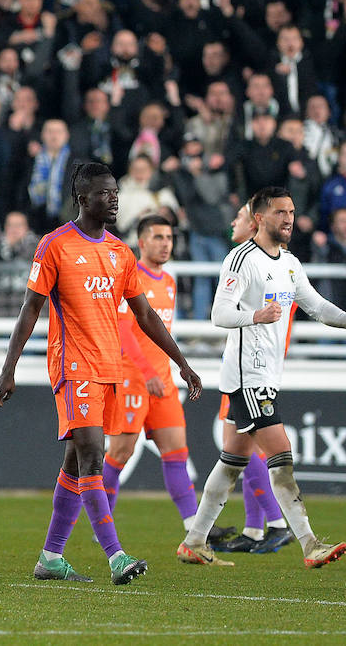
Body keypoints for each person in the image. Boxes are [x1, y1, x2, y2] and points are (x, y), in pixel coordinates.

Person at [0, 162, 203, 585]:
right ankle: (116, 556)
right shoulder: (55, 245)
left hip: (110, 371)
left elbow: (144, 314)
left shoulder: (120, 252)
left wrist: (181, 361)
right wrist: (8, 367)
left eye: (116, 193)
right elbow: (30, 308)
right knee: (92, 457)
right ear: (82, 198)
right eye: (105, 193)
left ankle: (50, 557)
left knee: (74, 464)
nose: (114, 199)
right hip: (74, 366)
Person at [177, 186, 346, 569]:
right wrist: (255, 316)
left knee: (232, 461)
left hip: (267, 374)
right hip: (248, 376)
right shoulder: (241, 259)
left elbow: (315, 305)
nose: (289, 219)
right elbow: (219, 314)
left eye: (292, 212)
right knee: (281, 456)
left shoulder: (288, 263)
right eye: (281, 212)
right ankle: (309, 543)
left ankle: (195, 541)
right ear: (259, 218)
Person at [104, 215, 225, 541]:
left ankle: (194, 528)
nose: (165, 243)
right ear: (141, 242)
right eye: (157, 237)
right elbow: (124, 332)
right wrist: (145, 372)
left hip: (163, 380)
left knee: (176, 453)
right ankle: (102, 522)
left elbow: (161, 334)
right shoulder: (131, 279)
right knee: (119, 453)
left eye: (169, 237)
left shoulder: (169, 282)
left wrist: (172, 368)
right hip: (131, 377)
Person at [212, 202, 296, 555]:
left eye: (240, 217)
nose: (234, 222)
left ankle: (277, 524)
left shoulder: (258, 261)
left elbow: (226, 314)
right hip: (249, 365)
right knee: (240, 449)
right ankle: (254, 528)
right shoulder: (263, 263)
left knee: (248, 448)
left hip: (249, 370)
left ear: (255, 224)